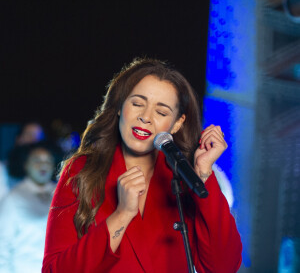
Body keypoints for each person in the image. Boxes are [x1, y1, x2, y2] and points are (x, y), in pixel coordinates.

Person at [42, 58, 242, 273]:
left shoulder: (183, 179)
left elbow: (223, 267)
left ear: (176, 124)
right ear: (119, 106)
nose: (145, 117)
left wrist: (203, 174)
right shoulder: (82, 170)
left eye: (161, 112)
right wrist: (122, 214)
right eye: (137, 104)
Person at [0, 142, 57, 273]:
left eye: (48, 160)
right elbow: (2, 249)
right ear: (26, 165)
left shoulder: (63, 194)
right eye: (37, 160)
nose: (43, 164)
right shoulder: (13, 198)